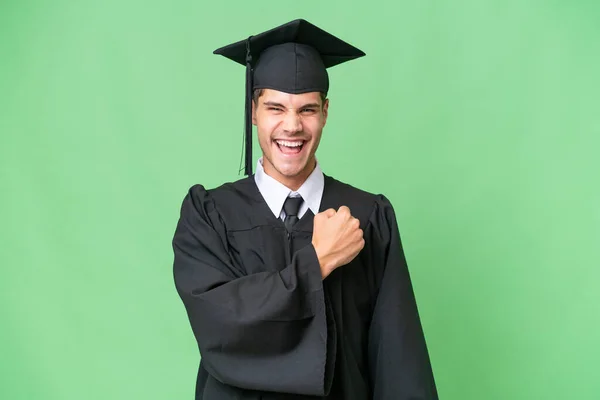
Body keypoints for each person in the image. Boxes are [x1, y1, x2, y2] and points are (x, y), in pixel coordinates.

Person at [172, 19, 438, 400]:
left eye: (307, 109)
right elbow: (220, 321)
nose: (292, 126)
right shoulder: (210, 215)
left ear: (325, 113)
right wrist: (316, 262)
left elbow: (397, 358)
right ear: (253, 112)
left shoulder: (367, 217)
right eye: (275, 108)